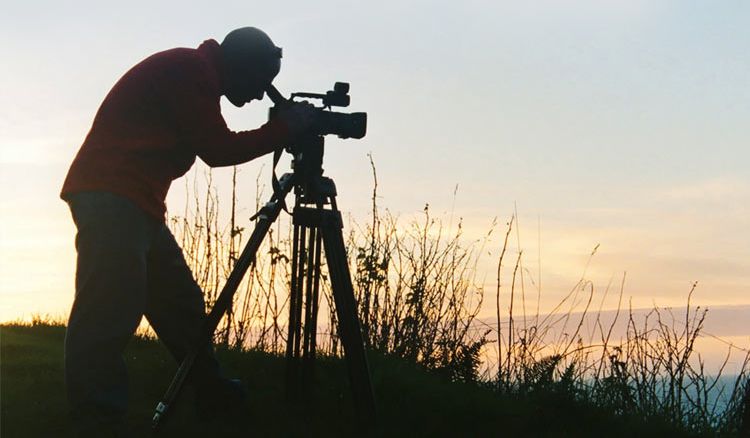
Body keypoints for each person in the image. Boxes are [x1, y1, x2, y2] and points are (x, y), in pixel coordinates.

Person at [60, 27, 314, 435]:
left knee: (180, 302)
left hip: (135, 201)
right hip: (112, 195)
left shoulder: (195, 74)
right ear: (241, 66)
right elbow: (218, 149)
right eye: (260, 81)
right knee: (108, 307)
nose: (258, 94)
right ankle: (97, 418)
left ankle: (209, 389)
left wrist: (283, 129)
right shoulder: (189, 71)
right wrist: (285, 130)